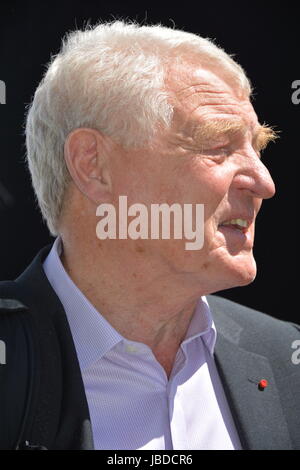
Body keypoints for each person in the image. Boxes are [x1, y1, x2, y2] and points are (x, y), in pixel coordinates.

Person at [0, 20, 299, 450]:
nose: (264, 183)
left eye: (258, 147)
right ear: (93, 165)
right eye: (218, 145)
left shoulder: (286, 357)